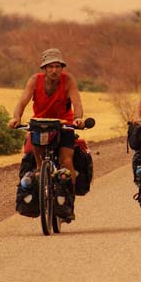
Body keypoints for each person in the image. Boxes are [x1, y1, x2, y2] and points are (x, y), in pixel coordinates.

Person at [8, 48, 85, 220]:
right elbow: (23, 101)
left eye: (58, 66)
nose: (55, 70)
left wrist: (78, 118)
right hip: (40, 125)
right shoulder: (35, 81)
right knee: (35, 160)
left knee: (66, 160)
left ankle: (68, 201)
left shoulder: (68, 80)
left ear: (62, 68)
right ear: (44, 69)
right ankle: (40, 178)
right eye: (50, 67)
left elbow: (77, 102)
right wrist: (16, 117)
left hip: (64, 125)